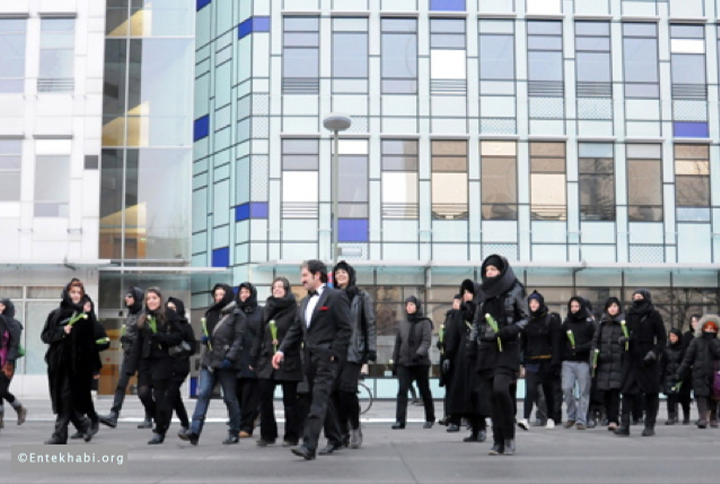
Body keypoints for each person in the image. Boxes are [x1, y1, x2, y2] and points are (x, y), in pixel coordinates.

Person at [271, 260, 352, 461]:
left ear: (317, 275)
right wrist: (281, 350)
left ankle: (309, 445)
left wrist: (334, 352)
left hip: (327, 357)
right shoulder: (305, 302)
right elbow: (296, 330)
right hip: (308, 358)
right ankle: (335, 437)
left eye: (305, 275)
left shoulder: (336, 297)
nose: (302, 280)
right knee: (323, 398)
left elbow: (346, 328)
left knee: (318, 399)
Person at [467, 254, 528, 456]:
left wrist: (510, 330)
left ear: (501, 271)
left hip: (507, 347)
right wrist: (472, 343)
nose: (489, 274)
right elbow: (477, 322)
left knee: (501, 390)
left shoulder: (516, 289)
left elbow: (526, 318)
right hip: (487, 348)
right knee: (491, 396)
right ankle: (497, 440)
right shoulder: (483, 292)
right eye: (487, 271)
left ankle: (509, 436)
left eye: (493, 270)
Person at [179, 283, 243, 446]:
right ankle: (195, 431)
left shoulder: (237, 314)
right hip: (209, 360)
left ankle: (234, 431)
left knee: (229, 397)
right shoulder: (211, 312)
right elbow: (205, 331)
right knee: (203, 394)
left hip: (226, 362)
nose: (219, 297)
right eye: (216, 294)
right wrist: (203, 338)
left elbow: (238, 339)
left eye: (222, 294)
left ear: (228, 295)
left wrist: (230, 357)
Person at [324, 260, 377, 450]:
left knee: (347, 391)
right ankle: (342, 432)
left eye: (343, 273)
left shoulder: (361, 296)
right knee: (335, 393)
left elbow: (369, 323)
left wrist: (371, 350)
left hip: (355, 351)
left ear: (350, 275)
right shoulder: (331, 297)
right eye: (337, 273)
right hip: (335, 351)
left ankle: (354, 426)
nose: (340, 276)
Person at [41, 279, 100, 444]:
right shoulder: (56, 314)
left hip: (77, 366)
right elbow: (45, 336)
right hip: (57, 364)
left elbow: (91, 343)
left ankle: (60, 434)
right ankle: (84, 425)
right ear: (66, 293)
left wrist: (95, 368)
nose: (75, 296)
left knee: (67, 397)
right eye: (72, 292)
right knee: (62, 398)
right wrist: (62, 331)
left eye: (78, 293)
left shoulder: (85, 316)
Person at [125, 287, 184, 444]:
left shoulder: (169, 315)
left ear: (160, 300)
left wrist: (162, 337)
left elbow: (179, 336)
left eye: (154, 298)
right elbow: (138, 343)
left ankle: (160, 430)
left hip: (163, 360)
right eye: (148, 298)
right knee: (143, 393)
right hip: (146, 360)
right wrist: (130, 367)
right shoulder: (143, 317)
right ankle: (159, 418)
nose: (151, 301)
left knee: (159, 395)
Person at [251, 277, 302, 447]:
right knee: (265, 397)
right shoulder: (267, 308)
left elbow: (297, 332)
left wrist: (282, 345)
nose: (277, 290)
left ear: (287, 290)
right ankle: (267, 434)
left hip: (288, 358)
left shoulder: (294, 309)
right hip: (267, 359)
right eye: (275, 287)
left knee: (290, 401)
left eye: (281, 287)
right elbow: (259, 334)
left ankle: (291, 435)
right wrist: (254, 356)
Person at [615, 289, 666, 437]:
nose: (637, 300)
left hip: (648, 359)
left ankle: (649, 425)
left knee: (651, 392)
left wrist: (654, 353)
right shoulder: (628, 315)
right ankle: (624, 425)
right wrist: (623, 340)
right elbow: (624, 333)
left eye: (640, 297)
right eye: (634, 297)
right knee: (627, 392)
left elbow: (662, 339)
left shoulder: (654, 315)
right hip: (631, 358)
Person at [100, 286, 148, 429]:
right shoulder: (130, 313)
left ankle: (149, 416)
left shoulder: (143, 314)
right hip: (128, 355)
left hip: (140, 356)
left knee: (143, 389)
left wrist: (130, 341)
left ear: (137, 298)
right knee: (121, 385)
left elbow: (143, 336)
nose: (126, 298)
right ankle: (114, 415)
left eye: (129, 296)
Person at [447, 281, 488, 442]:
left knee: (478, 393)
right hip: (463, 359)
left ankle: (481, 427)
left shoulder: (482, 312)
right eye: (464, 293)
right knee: (465, 395)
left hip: (479, 357)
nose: (466, 295)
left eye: (469, 292)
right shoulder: (459, 314)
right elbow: (453, 337)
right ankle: (473, 428)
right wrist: (448, 356)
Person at [518, 291, 561, 431]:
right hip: (531, 361)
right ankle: (525, 418)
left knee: (548, 391)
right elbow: (522, 343)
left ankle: (550, 418)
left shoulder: (550, 320)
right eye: (531, 303)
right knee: (530, 390)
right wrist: (522, 363)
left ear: (541, 303)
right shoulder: (527, 322)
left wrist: (555, 361)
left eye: (535, 302)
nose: (533, 305)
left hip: (547, 361)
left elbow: (555, 342)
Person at [391, 295, 435, 430]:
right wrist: (395, 361)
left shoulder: (425, 322)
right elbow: (398, 343)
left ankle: (430, 418)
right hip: (404, 362)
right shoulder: (403, 324)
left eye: (411, 305)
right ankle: (400, 420)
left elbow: (426, 340)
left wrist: (420, 353)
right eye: (407, 305)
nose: (409, 307)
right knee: (402, 391)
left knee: (424, 390)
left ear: (417, 306)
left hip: (420, 362)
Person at [70, 296, 108, 439]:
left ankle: (92, 418)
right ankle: (82, 425)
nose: (86, 308)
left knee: (83, 396)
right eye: (83, 305)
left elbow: (105, 342)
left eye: (88, 306)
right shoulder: (73, 323)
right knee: (72, 398)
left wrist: (89, 346)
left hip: (87, 364)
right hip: (72, 364)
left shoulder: (95, 324)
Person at [677, 314, 720, 429]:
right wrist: (680, 372)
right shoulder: (696, 341)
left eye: (712, 328)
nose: (709, 330)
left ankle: (713, 417)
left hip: (715, 373)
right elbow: (688, 358)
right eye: (708, 327)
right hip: (699, 373)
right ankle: (702, 418)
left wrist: (714, 343)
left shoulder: (717, 341)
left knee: (714, 396)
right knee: (701, 396)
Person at [560, 296, 596, 430]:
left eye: (576, 306)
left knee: (584, 391)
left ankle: (581, 419)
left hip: (583, 361)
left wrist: (581, 348)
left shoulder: (589, 322)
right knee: (567, 388)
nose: (574, 309)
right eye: (572, 306)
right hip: (568, 361)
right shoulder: (567, 322)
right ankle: (571, 416)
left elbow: (594, 341)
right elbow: (561, 340)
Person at [591, 297, 625, 431]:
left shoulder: (623, 323)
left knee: (614, 393)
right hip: (603, 363)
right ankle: (607, 416)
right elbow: (595, 342)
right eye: (610, 306)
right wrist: (593, 359)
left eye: (615, 306)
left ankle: (613, 420)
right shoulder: (602, 323)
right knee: (604, 392)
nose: (613, 309)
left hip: (617, 362)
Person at [165, 297, 196, 436]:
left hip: (180, 365)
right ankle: (185, 422)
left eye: (173, 309)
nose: (170, 312)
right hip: (166, 364)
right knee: (175, 395)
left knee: (170, 394)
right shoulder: (164, 325)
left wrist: (179, 349)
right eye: (168, 308)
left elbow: (192, 347)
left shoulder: (185, 325)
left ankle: (163, 424)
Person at [235, 282, 262, 439]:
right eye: (241, 292)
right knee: (236, 394)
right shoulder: (234, 311)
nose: (244, 295)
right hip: (236, 359)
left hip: (252, 358)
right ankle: (241, 421)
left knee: (249, 395)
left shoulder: (260, 312)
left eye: (247, 292)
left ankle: (246, 426)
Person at [0, 298, 27, 429]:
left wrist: (9, 362)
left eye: (1, 305)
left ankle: (19, 408)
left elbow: (14, 345)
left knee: (1, 389)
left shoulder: (14, 324)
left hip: (7, 362)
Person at [679, 314, 701, 425]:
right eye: (692, 322)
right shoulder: (687, 336)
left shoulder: (703, 336)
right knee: (685, 394)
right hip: (688, 368)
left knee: (700, 393)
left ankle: (702, 415)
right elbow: (684, 351)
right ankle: (686, 416)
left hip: (700, 367)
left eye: (696, 321)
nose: (694, 324)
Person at [661, 329, 685, 426]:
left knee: (680, 396)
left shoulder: (683, 349)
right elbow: (663, 363)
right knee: (670, 396)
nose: (672, 338)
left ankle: (681, 415)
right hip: (669, 374)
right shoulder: (666, 349)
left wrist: (681, 373)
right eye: (671, 336)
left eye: (674, 336)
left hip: (679, 374)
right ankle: (671, 416)